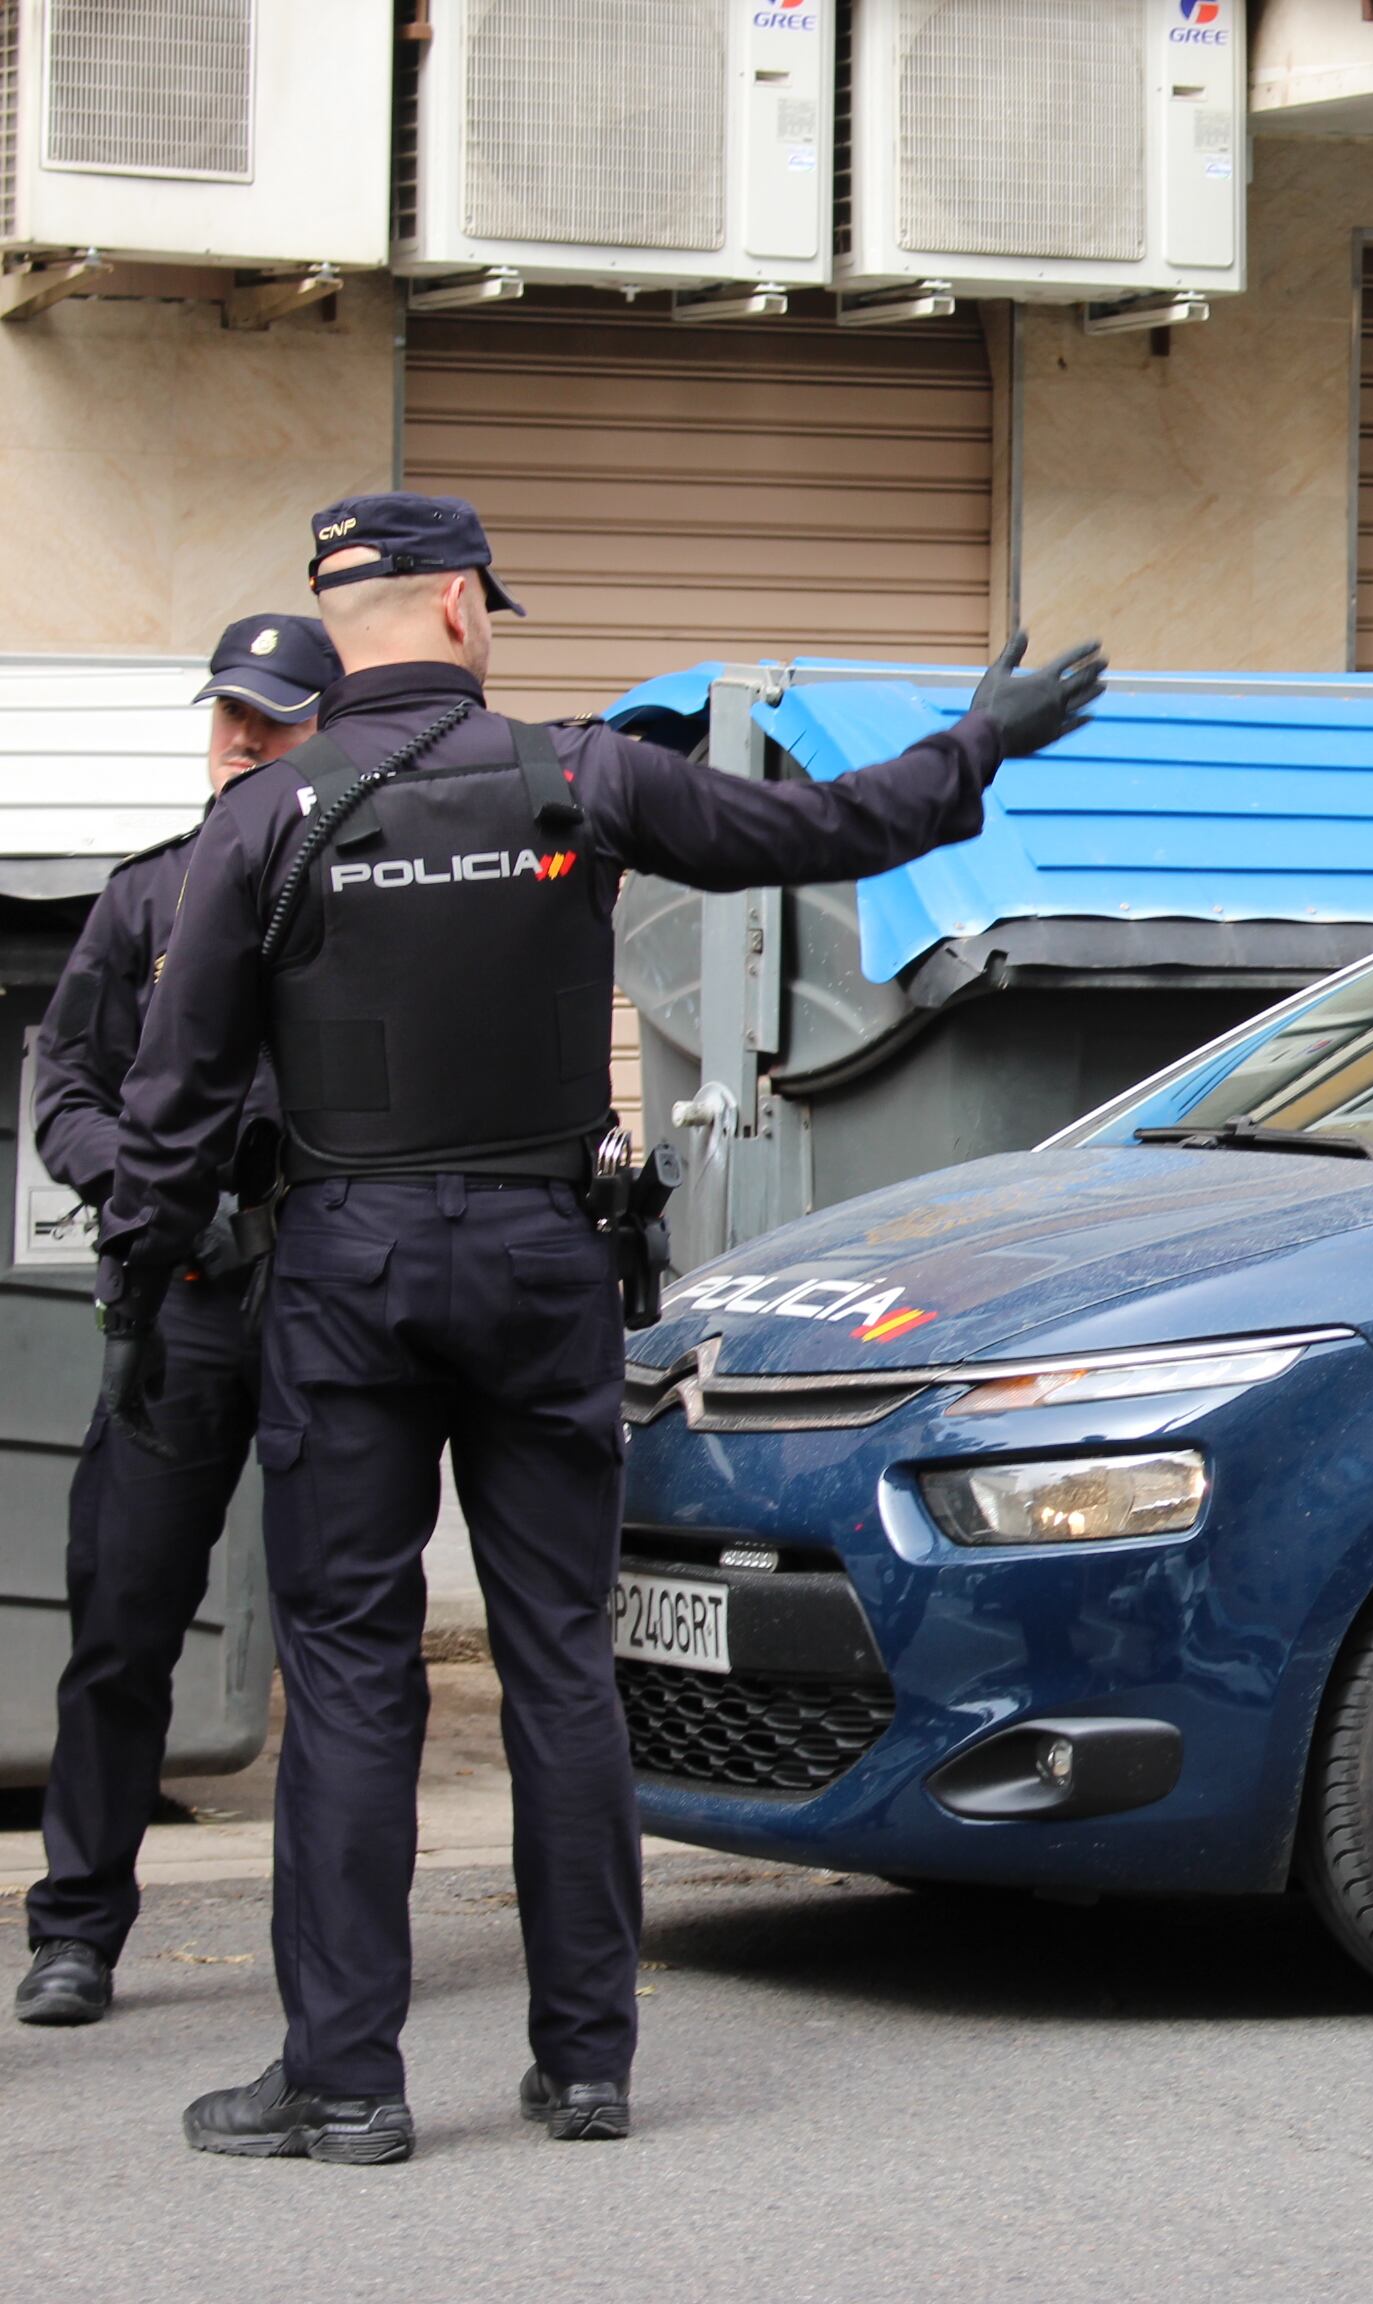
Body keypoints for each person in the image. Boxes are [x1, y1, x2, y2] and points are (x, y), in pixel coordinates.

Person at [94, 494, 1104, 2164]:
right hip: (543, 1263)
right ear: (467, 612)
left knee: (349, 1681)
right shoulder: (577, 777)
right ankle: (583, 2065)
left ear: (339, 634)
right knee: (562, 1656)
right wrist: (970, 748)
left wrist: (138, 1291)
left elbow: (179, 1094)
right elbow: (822, 833)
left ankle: (344, 2080)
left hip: (347, 1272)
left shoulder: (262, 817)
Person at [13, 616, 337, 2029]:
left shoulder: (364, 896)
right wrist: (152, 1196)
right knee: (122, 1622)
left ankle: (327, 1944)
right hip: (189, 1307)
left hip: (334, 1305)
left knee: (341, 1635)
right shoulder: (146, 901)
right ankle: (76, 1927)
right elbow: (64, 1093)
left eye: (271, 719)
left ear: (328, 732)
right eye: (227, 717)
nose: (241, 741)